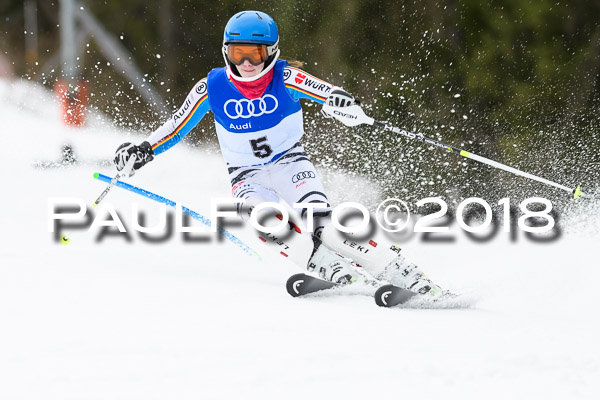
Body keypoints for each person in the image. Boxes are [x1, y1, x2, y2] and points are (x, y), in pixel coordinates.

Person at [114, 10, 450, 299]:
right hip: (247, 176)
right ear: (226, 52)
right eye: (238, 53)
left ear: (271, 52)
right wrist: (143, 151)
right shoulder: (211, 87)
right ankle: (329, 268)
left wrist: (343, 104)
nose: (246, 63)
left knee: (323, 225)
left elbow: (326, 92)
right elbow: (177, 125)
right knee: (265, 220)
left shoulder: (285, 77)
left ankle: (403, 273)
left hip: (291, 166)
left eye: (255, 54)